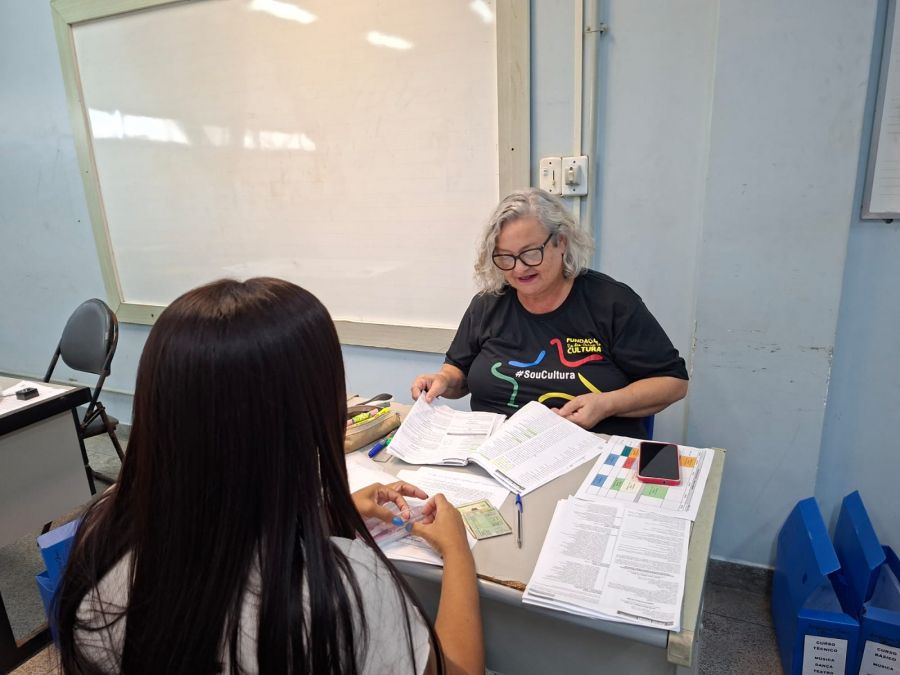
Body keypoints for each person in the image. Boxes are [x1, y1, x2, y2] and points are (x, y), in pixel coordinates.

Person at [56, 278, 483, 675]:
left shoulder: (101, 536)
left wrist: (326, 511)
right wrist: (457, 551)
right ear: (306, 424)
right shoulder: (343, 591)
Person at [412, 188, 688, 438]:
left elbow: (672, 383)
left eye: (531, 253)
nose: (519, 269)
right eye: (505, 257)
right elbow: (459, 373)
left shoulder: (611, 302)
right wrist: (444, 381)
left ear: (561, 242)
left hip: (587, 450)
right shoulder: (488, 304)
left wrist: (606, 404)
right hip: (497, 453)